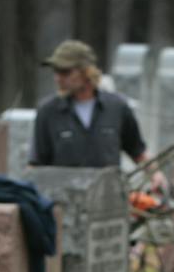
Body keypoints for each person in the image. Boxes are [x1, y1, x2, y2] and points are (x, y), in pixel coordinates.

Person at [30, 39, 167, 192]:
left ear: (86, 72)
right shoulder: (48, 112)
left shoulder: (117, 107)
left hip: (108, 200)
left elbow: (137, 151)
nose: (58, 78)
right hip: (63, 200)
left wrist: (155, 175)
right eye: (56, 72)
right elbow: (36, 165)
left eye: (65, 72)